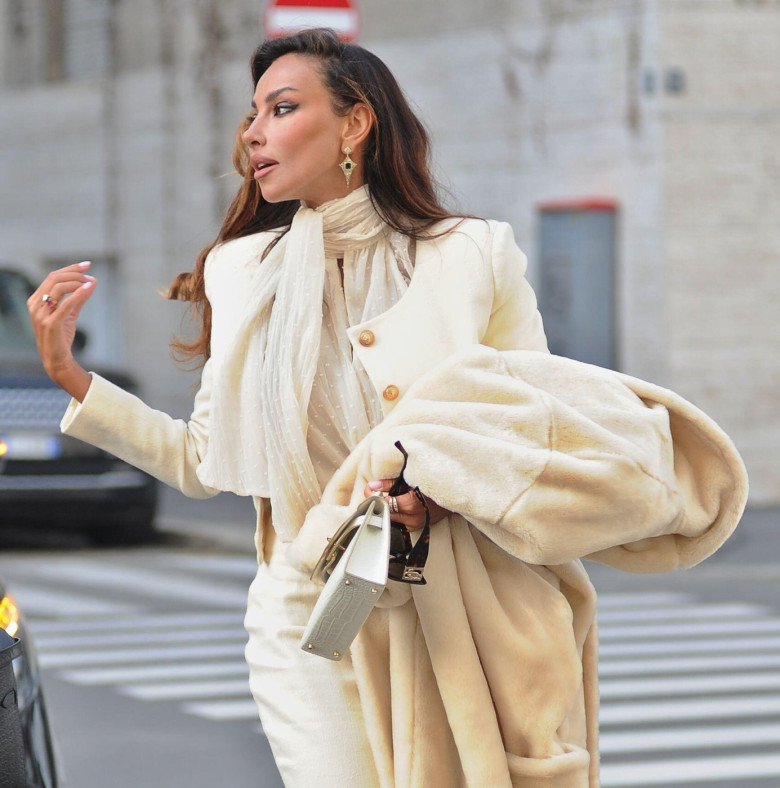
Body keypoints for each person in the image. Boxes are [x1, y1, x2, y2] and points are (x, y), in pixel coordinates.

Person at [27, 28, 747, 788]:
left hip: (450, 607)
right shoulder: (241, 272)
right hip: (307, 610)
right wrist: (69, 375)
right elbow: (203, 461)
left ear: (355, 123)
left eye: (281, 107)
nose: (254, 132)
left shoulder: (472, 256)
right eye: (251, 115)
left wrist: (440, 489)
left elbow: (531, 429)